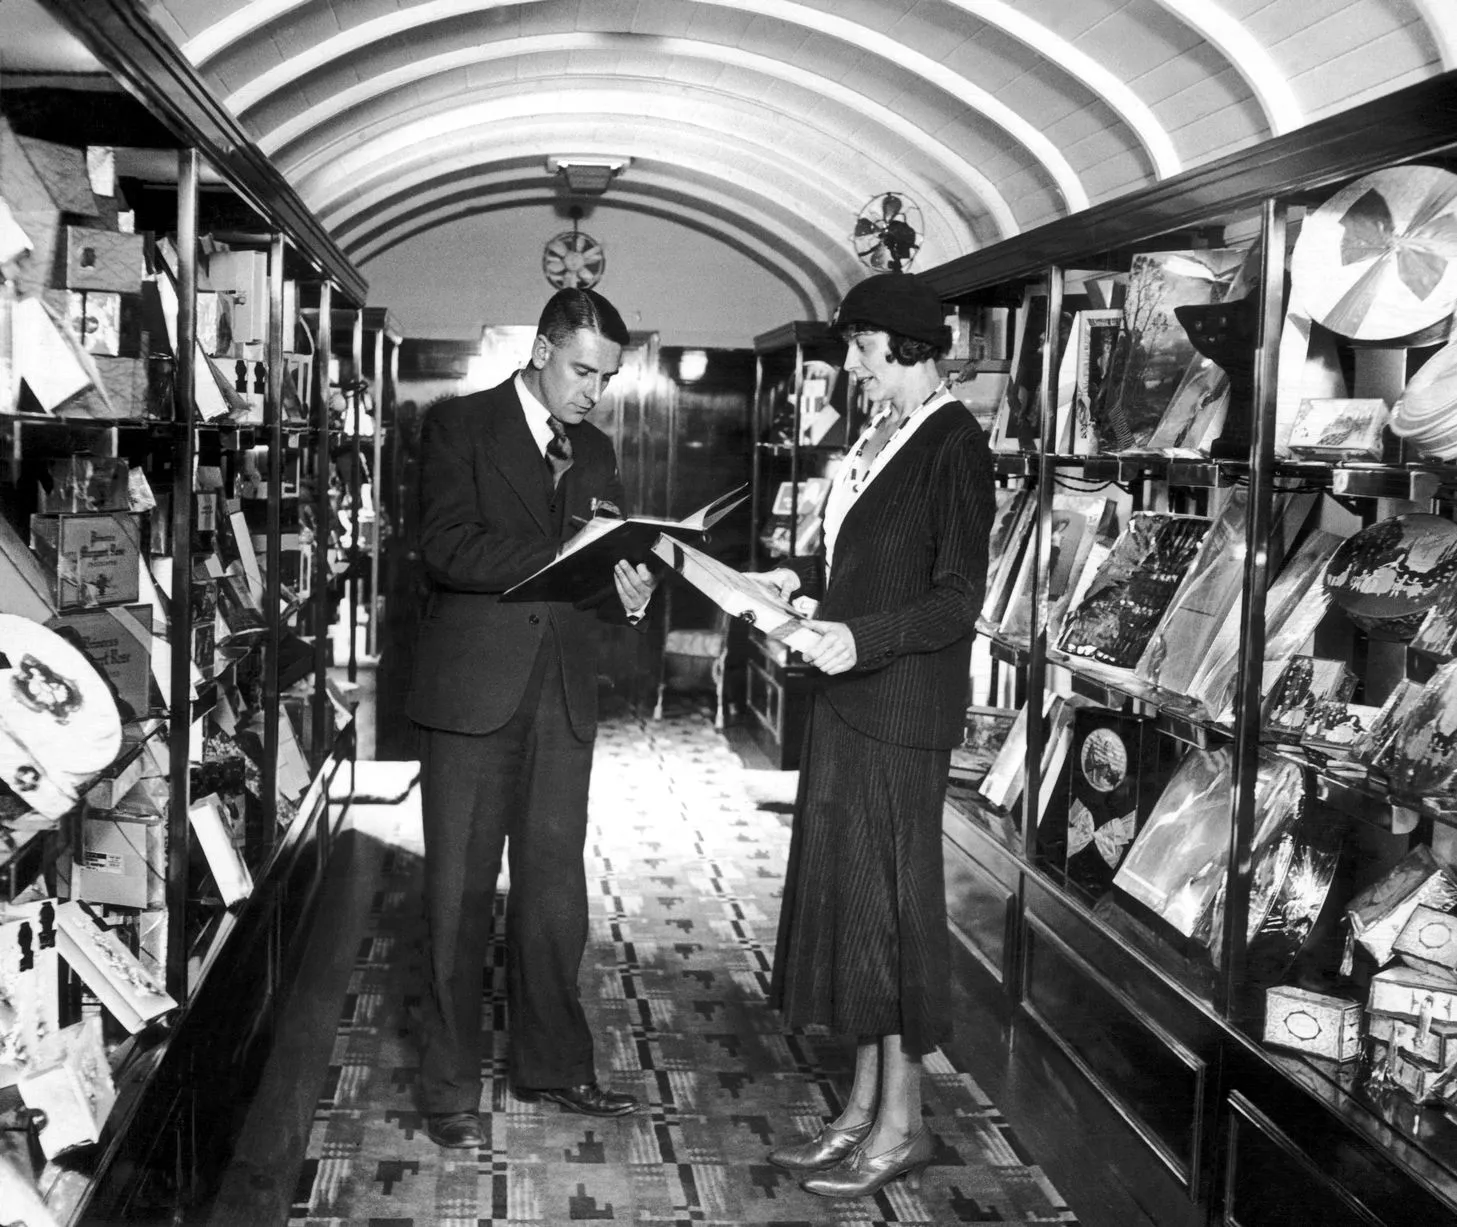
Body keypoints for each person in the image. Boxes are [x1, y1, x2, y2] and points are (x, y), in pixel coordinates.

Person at [752, 272, 995, 1197]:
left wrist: (859, 636)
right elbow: (861, 569)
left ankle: (904, 1125)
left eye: (860, 345)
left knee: (891, 917)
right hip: (851, 704)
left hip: (899, 714)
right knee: (855, 910)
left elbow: (954, 600)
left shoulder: (953, 443)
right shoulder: (878, 436)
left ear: (904, 345)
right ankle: (859, 1109)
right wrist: (799, 588)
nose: (850, 361)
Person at [405, 287, 658, 1148]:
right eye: (583, 370)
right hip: (473, 696)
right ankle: (446, 1090)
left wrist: (628, 587)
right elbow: (444, 545)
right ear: (543, 348)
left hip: (560, 696)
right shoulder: (457, 426)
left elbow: (604, 561)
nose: (593, 391)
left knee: (554, 896)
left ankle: (555, 1065)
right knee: (457, 897)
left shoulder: (595, 450)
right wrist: (564, 553)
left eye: (607, 377)